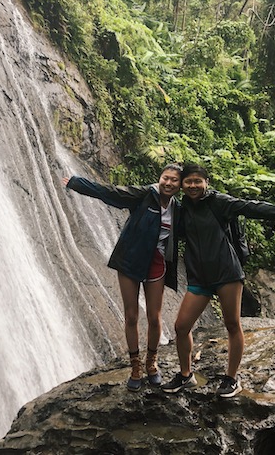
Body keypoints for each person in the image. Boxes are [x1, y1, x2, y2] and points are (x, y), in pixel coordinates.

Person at [162, 162, 275, 398]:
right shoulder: (182, 209)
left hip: (227, 273)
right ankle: (186, 375)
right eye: (188, 181)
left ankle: (232, 378)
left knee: (232, 324)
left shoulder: (219, 202)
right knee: (181, 327)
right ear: (182, 185)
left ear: (206, 183)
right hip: (199, 277)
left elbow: (252, 207)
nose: (193, 185)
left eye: (197, 181)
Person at [62, 163, 183, 391]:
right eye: (165, 178)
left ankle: (151, 363)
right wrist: (77, 183)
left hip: (156, 264)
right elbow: (111, 194)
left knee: (155, 317)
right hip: (130, 260)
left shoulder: (178, 209)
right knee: (131, 315)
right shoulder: (144, 195)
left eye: (174, 180)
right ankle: (135, 366)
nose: (168, 183)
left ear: (180, 185)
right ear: (160, 178)